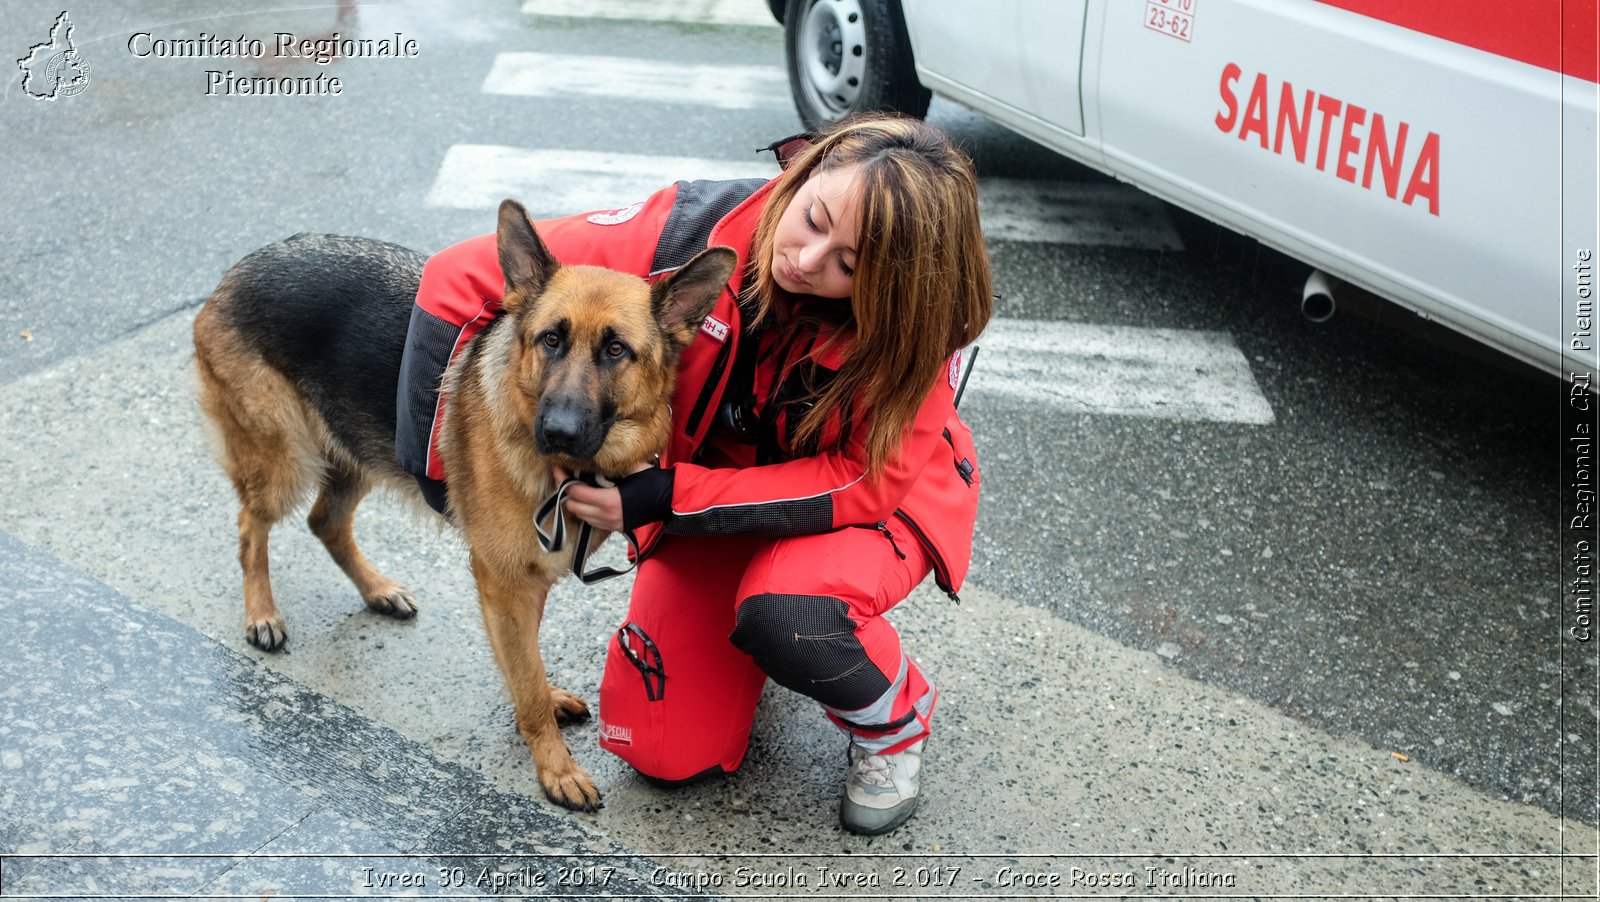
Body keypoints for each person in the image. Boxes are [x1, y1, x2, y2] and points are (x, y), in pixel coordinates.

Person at [397, 114, 993, 835]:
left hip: (864, 509)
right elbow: (454, 275)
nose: (806, 260)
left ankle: (893, 715)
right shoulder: (690, 233)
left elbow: (861, 482)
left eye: (848, 264)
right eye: (813, 218)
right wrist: (435, 469)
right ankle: (749, 642)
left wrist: (667, 497)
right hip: (719, 503)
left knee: (787, 612)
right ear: (808, 170)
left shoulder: (910, 334)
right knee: (658, 747)